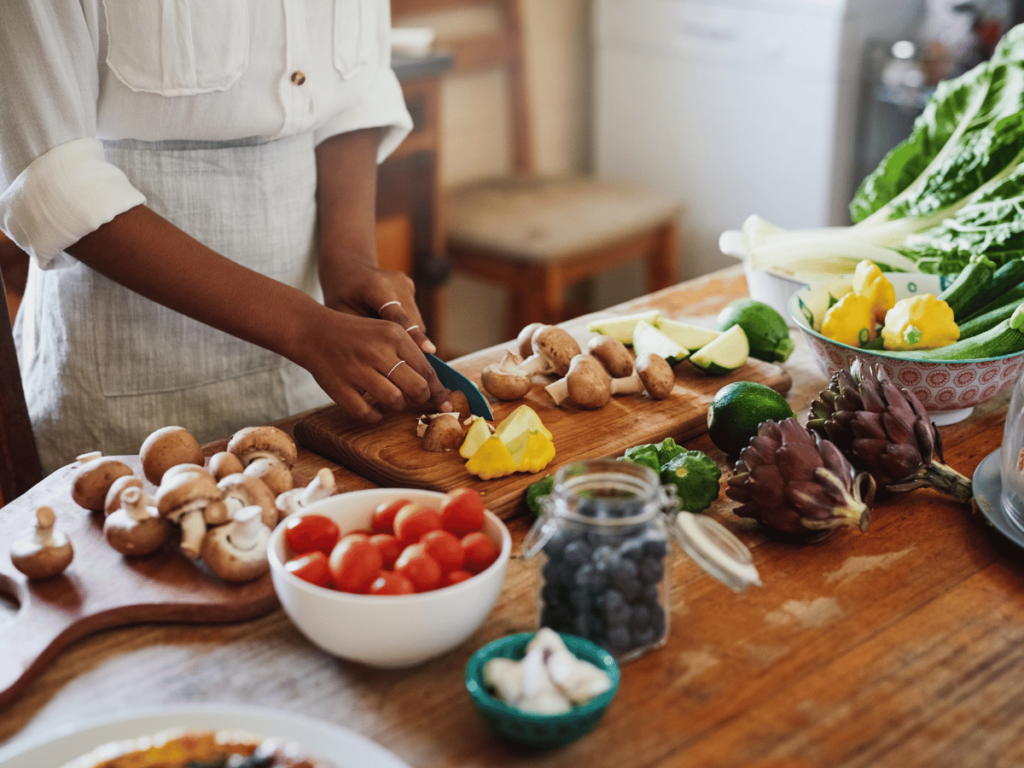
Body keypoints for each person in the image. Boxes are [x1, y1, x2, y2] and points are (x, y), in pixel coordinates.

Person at [0, 1, 452, 474]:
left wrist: (350, 260)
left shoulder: (322, 338)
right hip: (125, 389)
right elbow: (52, 177)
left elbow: (355, 91)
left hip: (316, 370)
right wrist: (302, 327)